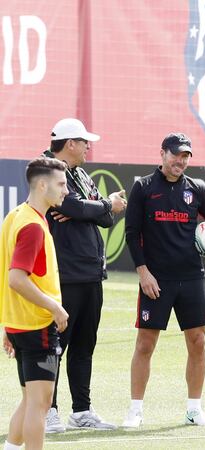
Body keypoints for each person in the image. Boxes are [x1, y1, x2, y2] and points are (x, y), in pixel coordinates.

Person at [123, 132, 205, 428]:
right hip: (156, 279)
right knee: (145, 345)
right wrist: (143, 272)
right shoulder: (143, 187)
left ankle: (194, 409)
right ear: (162, 154)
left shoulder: (197, 189)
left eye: (186, 156)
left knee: (198, 342)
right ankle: (135, 410)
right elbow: (131, 233)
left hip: (191, 277)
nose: (181, 161)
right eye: (176, 154)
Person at [42, 118, 127, 432]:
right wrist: (97, 206)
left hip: (91, 272)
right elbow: (79, 207)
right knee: (54, 344)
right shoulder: (48, 168)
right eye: (85, 142)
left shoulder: (79, 173)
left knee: (83, 344)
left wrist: (90, 208)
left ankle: (81, 411)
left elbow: (103, 217)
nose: (89, 147)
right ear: (70, 143)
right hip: (63, 273)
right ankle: (47, 410)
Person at [0, 157, 69, 450]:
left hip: (19, 323)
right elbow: (16, 278)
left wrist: (7, 324)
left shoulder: (16, 215)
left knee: (30, 398)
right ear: (42, 185)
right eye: (61, 184)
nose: (66, 190)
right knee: (40, 405)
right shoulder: (32, 226)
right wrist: (54, 307)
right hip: (37, 325)